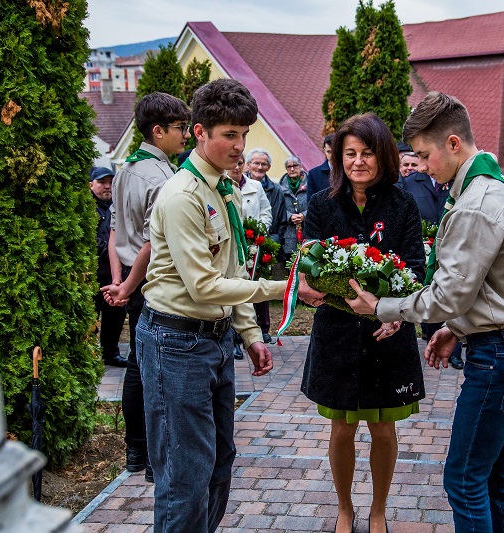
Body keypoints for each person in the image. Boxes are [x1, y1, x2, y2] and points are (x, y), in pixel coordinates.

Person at [345, 92, 504, 533]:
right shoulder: (491, 186)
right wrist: (456, 329)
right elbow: (488, 284)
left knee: (463, 479)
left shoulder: (477, 202)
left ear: (453, 144)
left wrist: (381, 307)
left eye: (424, 155)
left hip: (502, 356)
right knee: (497, 476)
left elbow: (447, 295)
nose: (421, 166)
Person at [136, 78, 288, 533]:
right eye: (229, 135)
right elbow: (204, 287)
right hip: (175, 343)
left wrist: (252, 336)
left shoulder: (224, 188)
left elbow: (234, 267)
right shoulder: (183, 196)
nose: (240, 146)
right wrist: (283, 289)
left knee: (220, 463)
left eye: (244, 134)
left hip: (215, 342)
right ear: (199, 132)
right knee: (185, 475)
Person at [297, 113, 426, 533]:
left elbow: (415, 268)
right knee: (341, 430)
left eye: (367, 153)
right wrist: (306, 284)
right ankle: (345, 508)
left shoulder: (403, 204)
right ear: (338, 157)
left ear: (383, 156)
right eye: (349, 153)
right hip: (337, 334)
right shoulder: (320, 204)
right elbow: (309, 265)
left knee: (383, 429)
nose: (358, 161)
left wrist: (392, 311)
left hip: (387, 331)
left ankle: (378, 511)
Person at [102, 91, 191, 482]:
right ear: (158, 131)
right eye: (180, 129)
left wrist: (119, 280)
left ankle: (135, 451)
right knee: (154, 373)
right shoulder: (160, 177)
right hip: (152, 281)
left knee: (138, 369)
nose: (186, 135)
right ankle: (154, 458)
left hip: (132, 278)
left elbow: (117, 231)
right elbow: (153, 243)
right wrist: (130, 285)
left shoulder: (125, 169)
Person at [397, 147, 464, 370]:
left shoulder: (453, 180)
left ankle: (455, 352)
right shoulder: (411, 182)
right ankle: (431, 336)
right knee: (430, 290)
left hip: (450, 244)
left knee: (451, 292)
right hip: (422, 245)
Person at [234, 153, 272, 360]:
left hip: (252, 244)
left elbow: (266, 211)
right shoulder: (220, 185)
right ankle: (233, 337)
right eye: (236, 163)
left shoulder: (255, 187)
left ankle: (256, 330)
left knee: (253, 285)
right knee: (234, 287)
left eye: (240, 163)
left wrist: (259, 231)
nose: (237, 167)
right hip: (231, 245)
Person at [246, 147, 285, 343]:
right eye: (256, 162)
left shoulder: (275, 190)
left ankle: (263, 327)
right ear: (248, 164)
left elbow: (275, 216)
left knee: (261, 284)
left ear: (269, 166)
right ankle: (242, 328)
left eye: (263, 164)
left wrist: (266, 238)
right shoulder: (237, 183)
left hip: (264, 241)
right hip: (242, 240)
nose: (259, 167)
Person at [89, 166, 127, 367]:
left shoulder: (116, 206)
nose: (107, 187)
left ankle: (110, 353)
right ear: (91, 185)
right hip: (95, 274)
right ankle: (89, 356)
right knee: (91, 319)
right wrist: (115, 252)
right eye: (102, 182)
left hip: (114, 275)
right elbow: (92, 240)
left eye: (110, 182)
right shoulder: (87, 208)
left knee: (116, 315)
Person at [279, 155, 308, 258]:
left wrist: (304, 215)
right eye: (289, 166)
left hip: (307, 231)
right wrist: (289, 216)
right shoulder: (280, 186)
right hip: (288, 235)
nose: (292, 169)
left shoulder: (310, 183)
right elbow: (278, 208)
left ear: (300, 166)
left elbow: (315, 204)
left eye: (295, 166)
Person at [307, 133, 334, 201]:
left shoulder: (347, 171)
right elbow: (311, 203)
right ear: (324, 150)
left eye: (334, 152)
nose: (331, 155)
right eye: (328, 152)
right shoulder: (314, 174)